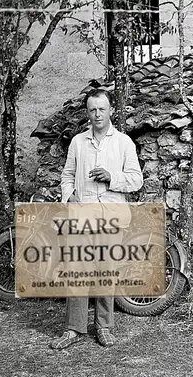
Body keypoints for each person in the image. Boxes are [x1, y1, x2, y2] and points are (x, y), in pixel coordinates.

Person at [50, 89, 143, 349]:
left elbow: (136, 180)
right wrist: (69, 198)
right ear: (87, 112)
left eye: (102, 109)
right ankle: (73, 329)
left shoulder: (123, 142)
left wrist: (111, 177)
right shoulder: (78, 142)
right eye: (92, 110)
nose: (97, 114)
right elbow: (67, 176)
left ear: (111, 110)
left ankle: (103, 327)